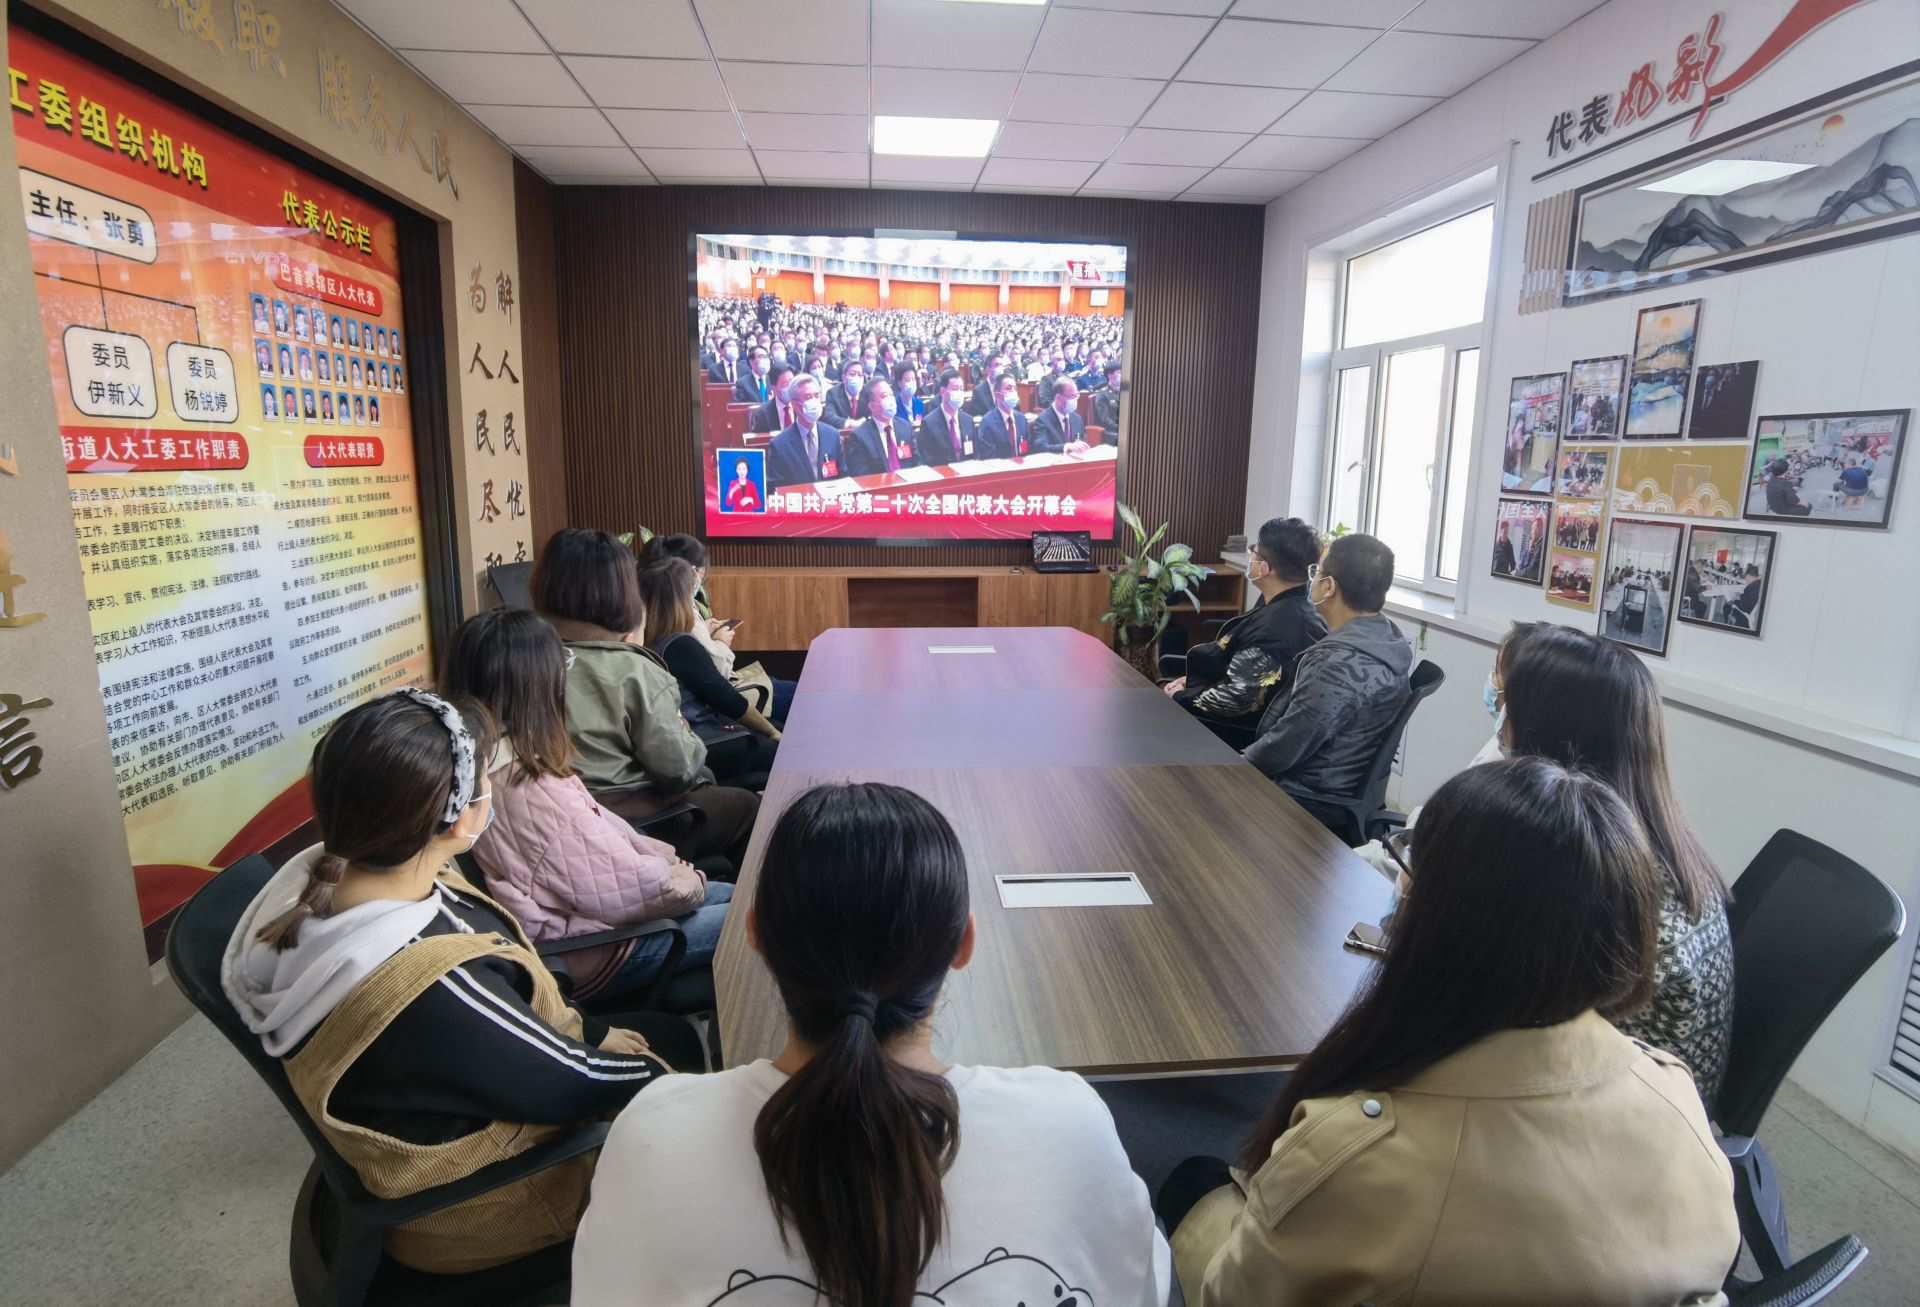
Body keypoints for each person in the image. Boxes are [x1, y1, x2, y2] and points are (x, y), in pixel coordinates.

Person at [1162, 758, 1739, 1305]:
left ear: (1446, 916)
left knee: (1193, 1180)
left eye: (1413, 863)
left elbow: (1232, 1296)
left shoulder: (1357, 1153)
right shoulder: (1676, 1097)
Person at [573, 781, 1172, 1307]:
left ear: (754, 936)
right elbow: (1136, 1284)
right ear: (962, 944)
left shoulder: (653, 1133)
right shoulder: (1068, 1121)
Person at [221, 691, 669, 1275]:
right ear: (459, 820)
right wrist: (667, 1079)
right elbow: (576, 1085)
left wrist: (592, 1030)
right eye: (485, 783)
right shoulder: (433, 987)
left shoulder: (320, 881)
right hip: (493, 1208)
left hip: (451, 1089)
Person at [440, 610, 731, 1011]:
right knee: (768, 920)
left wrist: (670, 867)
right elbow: (621, 891)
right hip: (600, 948)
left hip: (605, 915)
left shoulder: (495, 761)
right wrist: (685, 878)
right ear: (539, 685)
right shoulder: (528, 786)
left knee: (750, 901)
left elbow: (607, 858)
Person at [1502, 624, 1734, 1102]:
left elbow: (1509, 1014)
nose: (1502, 723)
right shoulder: (1654, 839)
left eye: (1510, 705)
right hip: (1660, 1100)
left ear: (1552, 733)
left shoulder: (1596, 881)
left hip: (1623, 1114)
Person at [532, 528, 759, 871]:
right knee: (749, 809)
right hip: (632, 824)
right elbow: (678, 769)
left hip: (556, 830)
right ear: (622, 591)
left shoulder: (523, 660)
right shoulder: (633, 669)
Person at [1243, 533, 1411, 835]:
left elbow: (1285, 746)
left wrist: (1236, 766)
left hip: (1305, 801)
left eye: (1317, 571)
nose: (1313, 579)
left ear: (1329, 586)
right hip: (1336, 790)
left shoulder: (1338, 665)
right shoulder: (1385, 638)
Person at [1164, 517, 1326, 731]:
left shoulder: (1277, 630)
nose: (1250, 556)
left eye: (1254, 552)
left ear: (1265, 568)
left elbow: (1234, 700)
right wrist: (1193, 682)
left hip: (1228, 734)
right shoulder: (1290, 603)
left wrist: (1180, 696)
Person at [640, 558, 780, 788]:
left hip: (685, 741)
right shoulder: (679, 645)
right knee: (785, 751)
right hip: (701, 741)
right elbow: (726, 698)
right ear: (682, 600)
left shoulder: (648, 641)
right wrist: (772, 732)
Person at [644, 533, 796, 725]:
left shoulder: (652, 607)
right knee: (800, 696)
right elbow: (716, 676)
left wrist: (706, 632)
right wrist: (721, 642)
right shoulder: (684, 616)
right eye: (700, 570)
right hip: (712, 707)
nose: (702, 576)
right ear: (691, 572)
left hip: (705, 701)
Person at [766, 373, 844, 489]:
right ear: (794, 404)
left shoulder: (833, 435)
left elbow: (843, 476)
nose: (814, 401)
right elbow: (775, 488)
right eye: (808, 397)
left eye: (816, 396)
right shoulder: (779, 445)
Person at [844, 377, 919, 476]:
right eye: (884, 396)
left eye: (891, 395)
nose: (890, 400)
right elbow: (861, 475)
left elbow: (917, 462)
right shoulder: (859, 437)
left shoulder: (905, 427)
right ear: (871, 405)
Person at [921, 367, 978, 466]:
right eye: (955, 389)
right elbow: (928, 459)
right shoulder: (929, 423)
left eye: (961, 389)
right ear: (943, 391)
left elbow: (976, 454)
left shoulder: (968, 420)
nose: (959, 393)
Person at [1031, 376, 1091, 455]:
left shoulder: (1077, 418)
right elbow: (1041, 447)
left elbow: (1081, 440)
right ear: (1058, 398)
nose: (1075, 400)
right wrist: (1066, 447)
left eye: (1077, 396)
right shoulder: (1043, 420)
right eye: (1072, 396)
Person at [977, 371, 1029, 459]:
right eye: (1009, 388)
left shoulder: (1021, 419)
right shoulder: (988, 422)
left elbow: (1027, 448)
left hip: (1022, 464)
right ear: (997, 394)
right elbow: (988, 456)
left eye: (1015, 388)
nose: (1013, 392)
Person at [746, 362, 796, 434]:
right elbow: (760, 439)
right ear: (773, 387)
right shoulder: (761, 414)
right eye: (785, 384)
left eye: (792, 383)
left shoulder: (801, 407)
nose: (790, 388)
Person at [824, 357, 865, 427]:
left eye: (860, 375)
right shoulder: (833, 393)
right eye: (852, 374)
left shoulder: (868, 391)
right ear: (844, 378)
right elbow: (829, 417)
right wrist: (849, 423)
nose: (857, 378)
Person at [1093, 362, 1122, 432]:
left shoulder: (1126, 391)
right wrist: (1121, 427)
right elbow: (1105, 419)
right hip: (1112, 431)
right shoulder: (1103, 394)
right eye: (1119, 373)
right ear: (1110, 375)